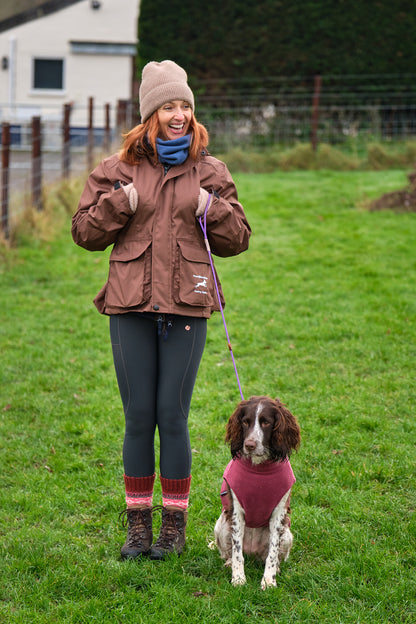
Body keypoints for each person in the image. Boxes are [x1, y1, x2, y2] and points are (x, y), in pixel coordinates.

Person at [71, 60, 251, 561]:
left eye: (186, 106)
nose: (179, 115)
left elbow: (238, 239)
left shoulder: (211, 171)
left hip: (187, 306)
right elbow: (84, 232)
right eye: (169, 106)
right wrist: (118, 205)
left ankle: (173, 528)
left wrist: (210, 208)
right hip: (129, 306)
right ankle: (137, 527)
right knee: (138, 417)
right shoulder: (116, 170)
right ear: (151, 113)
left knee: (172, 415)